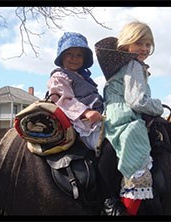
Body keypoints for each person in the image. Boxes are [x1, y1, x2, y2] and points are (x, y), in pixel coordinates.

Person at [47, 32, 127, 216]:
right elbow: (63, 100)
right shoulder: (60, 76)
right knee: (110, 145)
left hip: (97, 117)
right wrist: (85, 112)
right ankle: (106, 198)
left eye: (79, 55)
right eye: (70, 54)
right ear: (61, 57)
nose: (75, 58)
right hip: (80, 123)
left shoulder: (84, 78)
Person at [95, 21, 164, 215]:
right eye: (139, 43)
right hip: (126, 117)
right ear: (127, 44)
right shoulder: (133, 65)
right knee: (138, 151)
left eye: (148, 44)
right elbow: (137, 101)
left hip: (112, 116)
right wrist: (157, 106)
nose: (144, 48)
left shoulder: (122, 66)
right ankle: (127, 210)